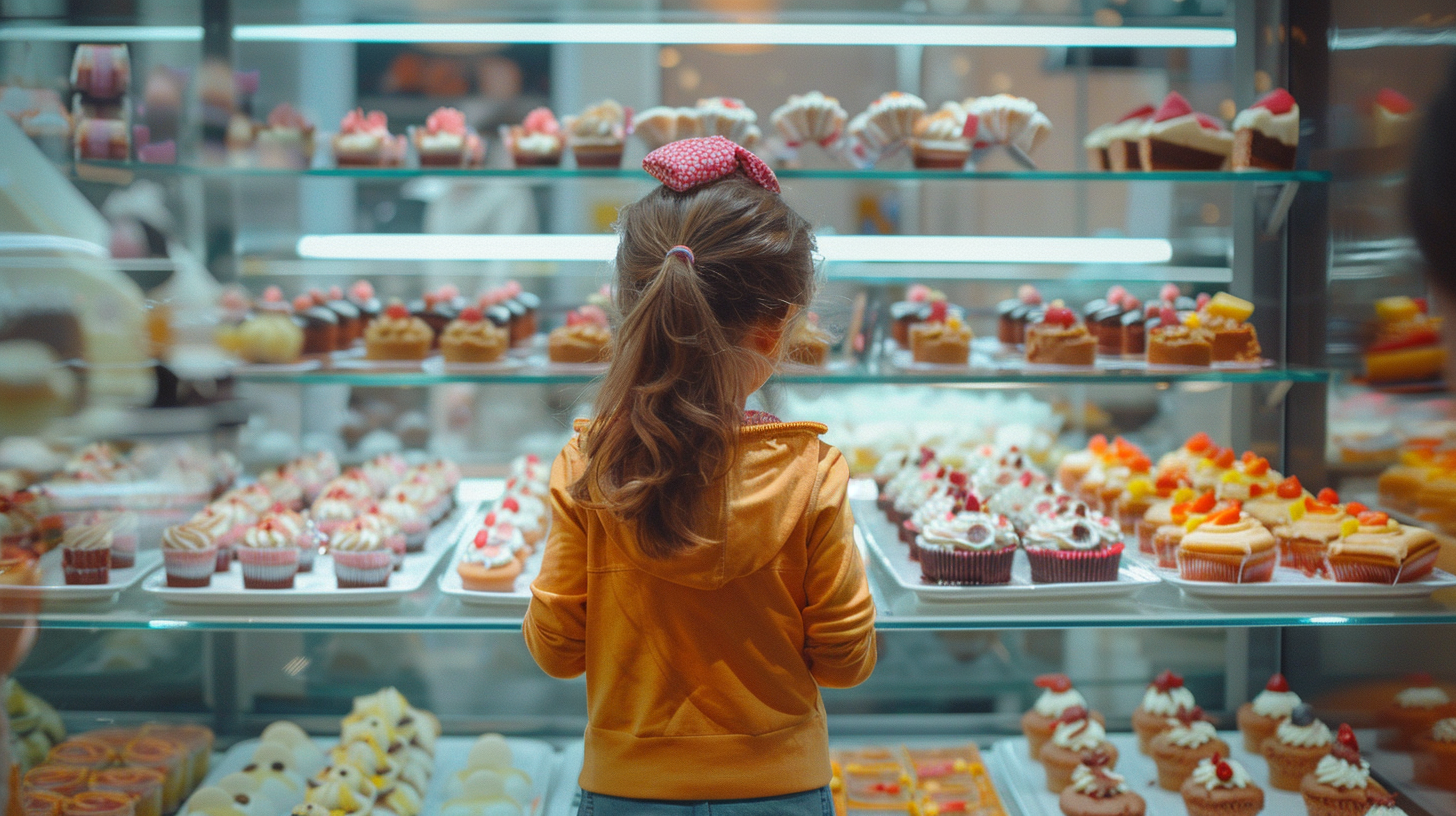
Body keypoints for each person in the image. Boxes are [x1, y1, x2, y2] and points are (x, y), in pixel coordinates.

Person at [523, 136, 877, 813]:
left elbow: (557, 650)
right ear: (778, 329)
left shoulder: (589, 464)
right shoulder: (812, 472)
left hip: (626, 787)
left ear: (633, 307)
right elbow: (846, 661)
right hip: (783, 789)